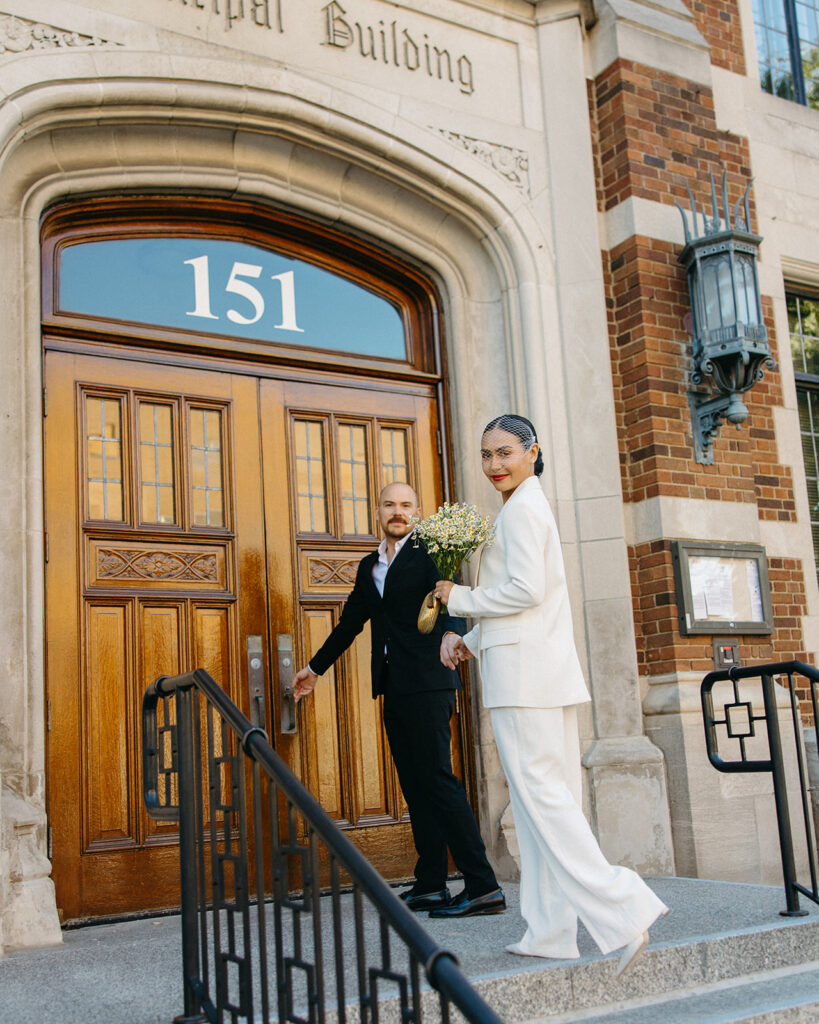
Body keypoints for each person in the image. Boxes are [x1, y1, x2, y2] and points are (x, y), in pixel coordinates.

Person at [431, 415, 667, 972]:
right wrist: (474, 639)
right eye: (486, 455)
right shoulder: (524, 507)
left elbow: (524, 590)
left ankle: (624, 907)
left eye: (505, 452)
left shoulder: (523, 510)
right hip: (539, 671)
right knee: (543, 805)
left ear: (533, 451)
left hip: (525, 681)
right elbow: (532, 603)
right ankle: (550, 931)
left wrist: (458, 598)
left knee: (544, 802)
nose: (494, 465)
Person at [292, 481, 505, 917]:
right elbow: (350, 623)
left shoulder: (432, 552)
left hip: (430, 682)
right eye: (390, 504)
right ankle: (430, 883)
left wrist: (453, 634)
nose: (398, 511)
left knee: (440, 782)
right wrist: (314, 670)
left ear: (418, 512)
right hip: (394, 685)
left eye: (406, 505)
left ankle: (482, 884)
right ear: (377, 511)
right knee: (415, 786)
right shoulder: (370, 566)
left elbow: (452, 603)